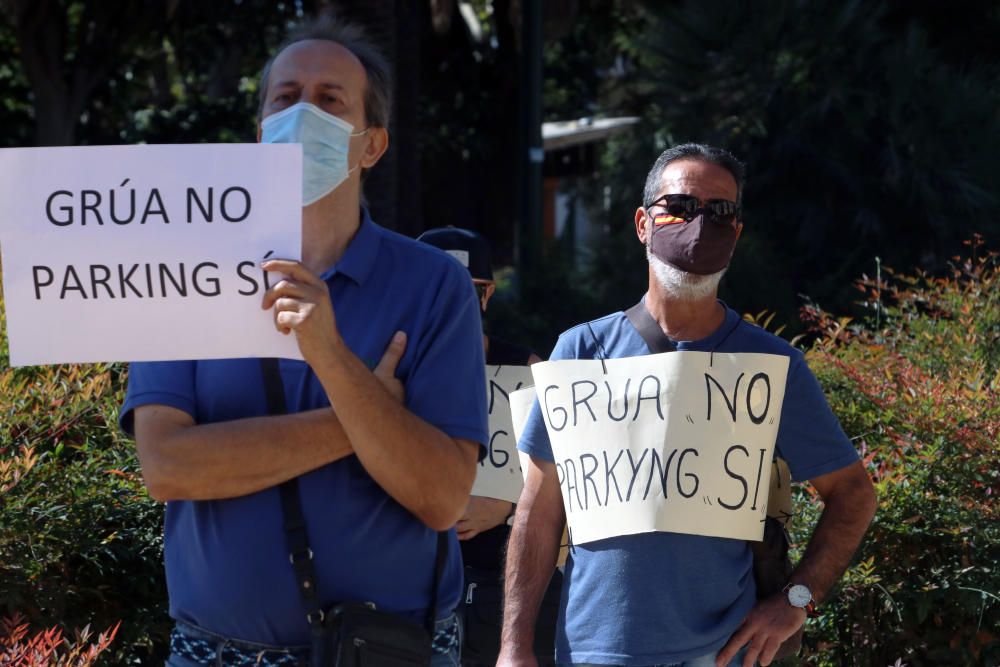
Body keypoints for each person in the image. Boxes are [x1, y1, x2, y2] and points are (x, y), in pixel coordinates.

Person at [120, 16, 487, 667]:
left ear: (371, 145)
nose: (303, 114)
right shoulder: (182, 273)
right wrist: (364, 413)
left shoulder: (435, 287)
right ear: (260, 130)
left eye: (329, 100)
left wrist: (328, 352)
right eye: (285, 99)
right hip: (215, 652)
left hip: (392, 650)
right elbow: (168, 467)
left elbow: (441, 496)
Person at [498, 143, 878, 667]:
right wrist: (513, 648)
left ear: (737, 232)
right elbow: (537, 514)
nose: (699, 225)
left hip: (723, 654)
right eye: (679, 206)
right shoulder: (580, 351)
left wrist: (795, 601)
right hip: (593, 652)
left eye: (720, 212)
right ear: (642, 223)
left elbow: (853, 495)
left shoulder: (772, 365)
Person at [417, 227, 558, 667]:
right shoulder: (388, 369)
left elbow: (575, 483)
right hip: (413, 584)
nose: (448, 301)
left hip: (498, 592)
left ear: (488, 293)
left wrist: (506, 508)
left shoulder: (528, 369)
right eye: (434, 287)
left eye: (464, 289)